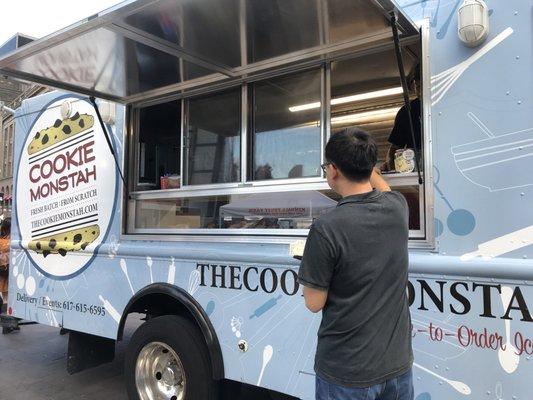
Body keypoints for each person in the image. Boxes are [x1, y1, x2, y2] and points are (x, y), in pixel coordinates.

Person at [298, 128, 413, 400]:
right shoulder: (398, 208)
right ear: (370, 166)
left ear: (333, 171)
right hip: (397, 367)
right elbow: (383, 188)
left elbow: (313, 302)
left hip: (347, 372)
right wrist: (366, 165)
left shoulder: (326, 229)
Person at [382, 66, 422, 172]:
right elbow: (395, 146)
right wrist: (390, 164)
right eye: (418, 86)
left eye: (424, 86)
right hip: (415, 167)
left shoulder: (447, 108)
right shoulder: (407, 111)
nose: (421, 91)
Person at [0, 218, 11, 312]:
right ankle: (6, 315)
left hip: (5, 269)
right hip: (6, 270)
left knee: (5, 295)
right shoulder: (9, 240)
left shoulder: (3, 238)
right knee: (6, 295)